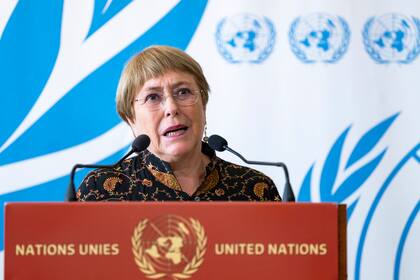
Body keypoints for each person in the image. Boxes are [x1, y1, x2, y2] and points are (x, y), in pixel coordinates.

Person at [77, 45, 281, 202]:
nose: (171, 108)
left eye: (183, 92)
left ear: (204, 105)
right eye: (153, 97)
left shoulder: (255, 188)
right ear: (131, 118)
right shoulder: (101, 190)